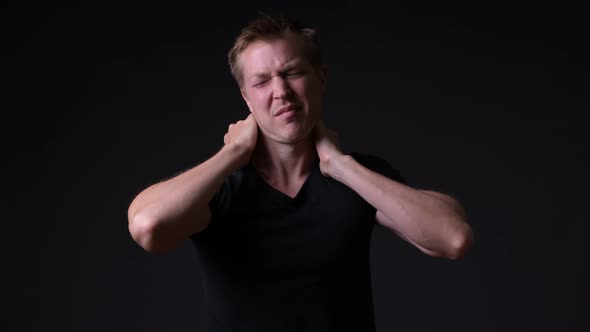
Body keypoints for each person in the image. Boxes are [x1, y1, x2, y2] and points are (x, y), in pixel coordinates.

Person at [127, 12, 474, 332]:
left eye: (292, 72)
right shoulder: (219, 189)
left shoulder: (358, 178)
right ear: (246, 97)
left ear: (320, 77)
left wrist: (339, 164)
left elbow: (453, 238)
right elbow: (148, 226)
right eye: (261, 82)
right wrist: (233, 153)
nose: (281, 92)